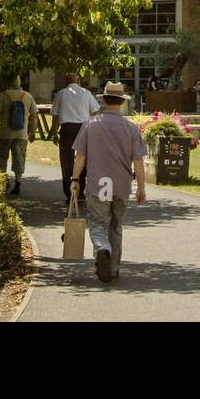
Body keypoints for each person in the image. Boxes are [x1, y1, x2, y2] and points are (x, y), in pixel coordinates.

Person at [70, 81, 146, 283]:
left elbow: (80, 156)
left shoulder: (91, 124)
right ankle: (113, 268)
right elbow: (138, 160)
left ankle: (102, 247)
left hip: (99, 183)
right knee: (116, 225)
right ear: (121, 102)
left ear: (103, 101)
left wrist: (75, 179)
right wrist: (142, 188)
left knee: (98, 223)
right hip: (121, 184)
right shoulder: (131, 128)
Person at [50, 72, 100, 200]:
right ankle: (80, 189)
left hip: (67, 128)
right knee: (82, 158)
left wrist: (54, 132)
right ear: (79, 81)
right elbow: (95, 112)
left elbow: (55, 115)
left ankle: (69, 191)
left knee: (66, 160)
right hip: (83, 127)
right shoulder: (86, 93)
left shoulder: (60, 94)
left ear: (66, 81)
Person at [0, 76, 38, 196]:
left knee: (2, 159)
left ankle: (4, 182)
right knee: (19, 159)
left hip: (4, 134)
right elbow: (33, 117)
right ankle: (18, 183)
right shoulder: (28, 96)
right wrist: (32, 132)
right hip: (21, 135)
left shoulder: (3, 95)